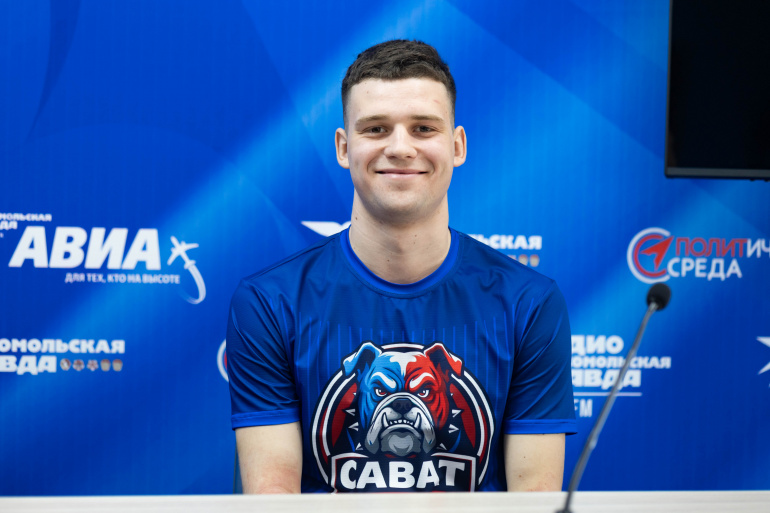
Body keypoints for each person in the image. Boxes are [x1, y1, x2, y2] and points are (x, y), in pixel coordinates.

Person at [227, 40, 576, 494]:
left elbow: (535, 503)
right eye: (376, 129)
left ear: (457, 146)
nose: (400, 148)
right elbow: (273, 504)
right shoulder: (270, 304)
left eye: (423, 128)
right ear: (343, 147)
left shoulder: (529, 303)